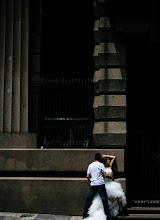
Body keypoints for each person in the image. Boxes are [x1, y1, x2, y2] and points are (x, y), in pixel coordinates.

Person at [86, 154, 127, 220]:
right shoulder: (101, 167)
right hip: (105, 184)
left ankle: (121, 211)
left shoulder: (110, 166)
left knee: (120, 195)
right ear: (105, 161)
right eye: (108, 160)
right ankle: (107, 213)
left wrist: (105, 155)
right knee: (105, 200)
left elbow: (114, 157)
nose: (109, 160)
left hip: (112, 184)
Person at [82, 152, 114, 220]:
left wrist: (90, 181)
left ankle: (84, 214)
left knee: (88, 199)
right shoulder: (101, 165)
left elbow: (87, 176)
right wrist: (111, 177)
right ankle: (108, 216)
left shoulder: (90, 165)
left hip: (93, 184)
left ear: (94, 158)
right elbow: (104, 174)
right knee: (104, 199)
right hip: (100, 184)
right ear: (99, 158)